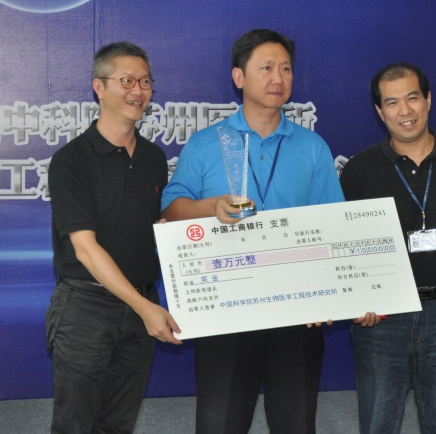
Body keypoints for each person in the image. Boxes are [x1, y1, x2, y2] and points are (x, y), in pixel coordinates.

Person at [162, 29, 344, 434]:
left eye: (286, 69)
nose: (278, 78)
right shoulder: (206, 143)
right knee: (220, 423)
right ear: (239, 77)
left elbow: (332, 224)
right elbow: (171, 212)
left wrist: (331, 295)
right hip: (225, 307)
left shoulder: (312, 147)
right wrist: (211, 207)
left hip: (297, 308)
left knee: (296, 423)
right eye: (266, 68)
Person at [339, 62, 436, 434]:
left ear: (428, 100)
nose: (404, 110)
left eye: (412, 98)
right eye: (392, 102)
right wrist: (358, 301)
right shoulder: (360, 170)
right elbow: (346, 249)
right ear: (380, 111)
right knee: (378, 425)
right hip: (382, 321)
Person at [45, 42, 181, 434]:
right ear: (99, 87)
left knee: (118, 423)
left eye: (145, 82)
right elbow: (85, 249)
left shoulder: (154, 158)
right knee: (76, 424)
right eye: (127, 81)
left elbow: (158, 226)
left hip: (140, 303)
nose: (138, 91)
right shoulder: (71, 160)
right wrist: (145, 308)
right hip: (86, 309)